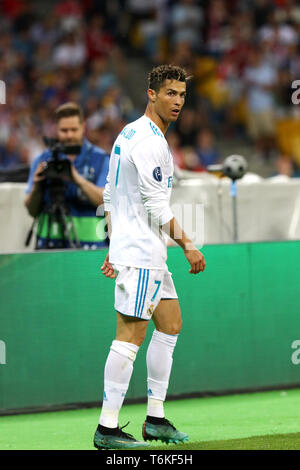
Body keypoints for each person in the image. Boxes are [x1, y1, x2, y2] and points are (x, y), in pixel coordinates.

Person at [94, 64, 206, 450]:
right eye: (170, 93)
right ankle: (107, 428)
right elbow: (157, 205)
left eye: (182, 94)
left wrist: (113, 244)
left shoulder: (130, 133)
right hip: (142, 252)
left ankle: (155, 418)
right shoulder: (150, 142)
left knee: (171, 324)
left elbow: (110, 193)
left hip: (145, 250)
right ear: (152, 94)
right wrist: (189, 244)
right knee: (129, 335)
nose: (177, 101)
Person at [24, 102, 110, 249]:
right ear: (56, 129)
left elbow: (106, 200)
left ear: (83, 127)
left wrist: (77, 179)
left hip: (90, 249)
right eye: (64, 130)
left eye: (74, 129)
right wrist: (37, 187)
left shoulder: (100, 159)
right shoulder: (43, 160)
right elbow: (31, 210)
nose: (69, 135)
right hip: (48, 247)